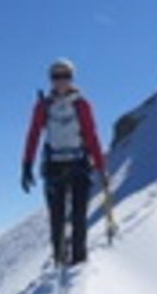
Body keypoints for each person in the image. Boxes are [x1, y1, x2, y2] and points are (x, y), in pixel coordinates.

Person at [21, 59, 108, 266]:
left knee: (79, 216)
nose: (61, 81)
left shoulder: (81, 104)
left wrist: (101, 167)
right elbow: (33, 135)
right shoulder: (44, 106)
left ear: (72, 78)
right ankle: (59, 259)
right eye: (56, 76)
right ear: (50, 80)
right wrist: (26, 165)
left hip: (78, 163)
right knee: (57, 219)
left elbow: (91, 135)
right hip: (54, 166)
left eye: (65, 76)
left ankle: (79, 261)